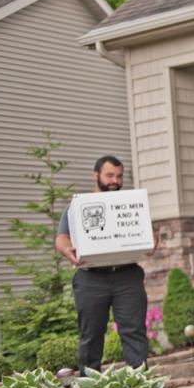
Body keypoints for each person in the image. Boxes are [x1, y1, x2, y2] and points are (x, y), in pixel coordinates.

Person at [54, 156, 151, 373]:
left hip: (127, 274)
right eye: (109, 175)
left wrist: (151, 242)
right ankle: (90, 384)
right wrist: (67, 250)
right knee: (91, 334)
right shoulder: (79, 206)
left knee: (133, 330)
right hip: (90, 277)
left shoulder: (131, 205)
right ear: (96, 175)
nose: (114, 180)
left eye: (118, 176)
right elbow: (61, 237)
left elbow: (149, 235)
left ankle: (139, 379)